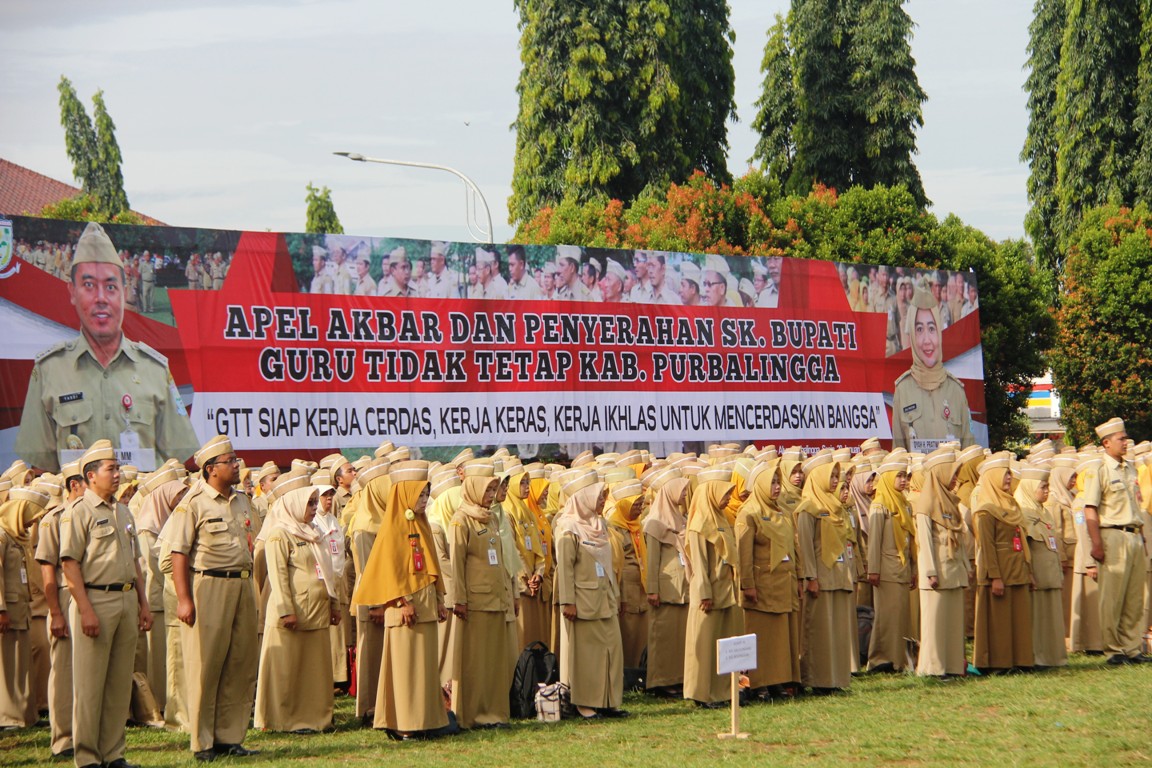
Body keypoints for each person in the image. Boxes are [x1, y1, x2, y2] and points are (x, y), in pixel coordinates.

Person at [16, 222, 200, 473]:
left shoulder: (154, 369)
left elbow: (177, 465)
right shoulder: (49, 370)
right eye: (89, 285)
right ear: (72, 292)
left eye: (111, 287)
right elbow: (41, 469)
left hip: (142, 510)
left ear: (124, 293)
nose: (101, 298)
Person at [164, 435, 258, 762]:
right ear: (210, 469)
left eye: (235, 460)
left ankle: (229, 736)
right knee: (206, 665)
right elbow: (178, 553)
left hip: (243, 585)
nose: (237, 466)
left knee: (240, 663)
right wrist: (184, 599)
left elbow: (252, 542)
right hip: (209, 586)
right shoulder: (193, 503)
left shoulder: (244, 500)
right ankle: (202, 741)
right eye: (230, 461)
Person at [59, 440, 152, 768]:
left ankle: (114, 754)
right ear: (90, 475)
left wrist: (142, 603)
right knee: (89, 685)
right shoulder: (78, 511)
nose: (117, 474)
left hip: (126, 598)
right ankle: (87, 757)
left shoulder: (123, 511)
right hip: (95, 600)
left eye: (117, 468)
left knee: (117, 683)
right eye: (110, 469)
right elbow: (70, 565)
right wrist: (85, 609)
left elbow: (136, 561)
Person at [354, 461, 449, 738]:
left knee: (425, 668)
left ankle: (426, 721)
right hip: (404, 608)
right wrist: (401, 602)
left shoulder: (423, 525)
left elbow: (433, 567)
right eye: (419, 495)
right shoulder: (391, 528)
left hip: (426, 606)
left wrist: (441, 599)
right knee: (406, 668)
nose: (424, 500)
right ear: (406, 495)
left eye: (426, 495)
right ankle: (405, 723)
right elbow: (388, 570)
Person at [254, 487, 341, 733]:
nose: (315, 508)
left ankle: (316, 718)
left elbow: (328, 572)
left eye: (315, 503)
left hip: (317, 611)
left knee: (314, 670)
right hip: (292, 614)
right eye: (310, 504)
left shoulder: (315, 533)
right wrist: (285, 610)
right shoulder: (279, 535)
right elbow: (278, 577)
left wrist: (333, 604)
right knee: (286, 669)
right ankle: (284, 720)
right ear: (294, 505)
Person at [555, 472, 626, 719]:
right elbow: (564, 568)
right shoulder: (568, 529)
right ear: (584, 497)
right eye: (599, 496)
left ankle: (609, 700)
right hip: (583, 603)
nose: (603, 501)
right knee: (587, 655)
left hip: (605, 598)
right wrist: (568, 601)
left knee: (612, 650)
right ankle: (585, 704)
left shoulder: (599, 525)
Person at [449, 472, 515, 729]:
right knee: (475, 661)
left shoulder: (491, 519)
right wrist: (460, 599)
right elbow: (457, 565)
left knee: (494, 662)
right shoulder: (461, 521)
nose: (491, 496)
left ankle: (495, 713)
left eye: (493, 491)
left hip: (495, 599)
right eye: (487, 491)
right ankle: (474, 715)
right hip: (475, 601)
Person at [1082, 418, 1149, 664]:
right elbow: (1090, 509)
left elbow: (1136, 506)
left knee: (1134, 596)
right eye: (1121, 439)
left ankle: (1132, 648)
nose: (1126, 442)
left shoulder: (1130, 468)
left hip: (1133, 535)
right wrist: (1096, 544)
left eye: (1126, 437)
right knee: (1112, 597)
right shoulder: (1099, 471)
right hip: (1112, 534)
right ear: (1106, 443)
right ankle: (1113, 649)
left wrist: (1141, 538)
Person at [736, 459, 801, 700]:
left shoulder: (781, 512)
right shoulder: (749, 513)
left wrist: (800, 577)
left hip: (783, 584)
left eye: (777, 482)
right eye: (771, 483)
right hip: (762, 587)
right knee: (761, 636)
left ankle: (777, 681)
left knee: (780, 639)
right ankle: (759, 683)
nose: (776, 487)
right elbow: (744, 554)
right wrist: (747, 584)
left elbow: (794, 547)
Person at [682, 467, 743, 707]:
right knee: (705, 645)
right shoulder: (699, 524)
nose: (728, 498)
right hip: (708, 594)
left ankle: (723, 691)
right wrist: (705, 593)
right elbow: (698, 563)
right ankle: (701, 693)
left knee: (723, 642)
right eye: (724, 493)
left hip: (726, 590)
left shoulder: (722, 519)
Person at [795, 451, 854, 694]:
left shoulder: (837, 506)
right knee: (819, 630)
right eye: (832, 476)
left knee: (837, 630)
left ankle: (836, 679)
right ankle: (818, 679)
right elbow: (805, 546)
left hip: (839, 576)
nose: (835, 480)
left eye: (837, 476)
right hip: (820, 577)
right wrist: (811, 577)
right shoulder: (808, 508)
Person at [35, 462, 83, 757]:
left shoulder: (98, 513)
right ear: (75, 485)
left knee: (90, 671)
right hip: (66, 598)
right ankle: (64, 738)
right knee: (65, 669)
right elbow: (48, 573)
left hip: (94, 597)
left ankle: (89, 734)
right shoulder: (54, 519)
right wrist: (55, 613)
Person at [890, 289, 975, 452]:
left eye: (931, 328)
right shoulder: (903, 390)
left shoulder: (956, 391)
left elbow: (969, 453)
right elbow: (899, 455)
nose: (927, 340)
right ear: (913, 337)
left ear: (939, 334)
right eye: (919, 330)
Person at [972, 452, 1033, 673]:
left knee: (1018, 619)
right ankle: (999, 663)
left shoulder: (1012, 505)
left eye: (1009, 473)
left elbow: (1022, 541)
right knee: (999, 621)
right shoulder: (986, 509)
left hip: (1017, 569)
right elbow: (987, 547)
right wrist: (995, 577)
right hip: (999, 573)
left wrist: (1029, 569)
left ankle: (1021, 660)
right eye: (1005, 474)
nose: (1009, 478)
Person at [913, 449, 969, 677]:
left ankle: (954, 665)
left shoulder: (950, 502)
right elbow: (924, 542)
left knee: (953, 623)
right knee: (934, 624)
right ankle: (933, 668)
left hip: (953, 570)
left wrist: (966, 566)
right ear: (940, 473)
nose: (955, 479)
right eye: (952, 474)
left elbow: (960, 539)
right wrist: (929, 571)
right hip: (936, 573)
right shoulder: (925, 504)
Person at [0, 482, 49, 730]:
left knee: (22, 664)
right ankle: (8, 717)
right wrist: (1, 610)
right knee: (8, 665)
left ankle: (27, 715)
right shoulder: (1, 536)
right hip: (7, 611)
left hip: (21, 610)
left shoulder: (16, 537)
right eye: (31, 516)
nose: (32, 523)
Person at [642, 468, 691, 697]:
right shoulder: (654, 523)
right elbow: (651, 560)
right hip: (665, 588)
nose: (684, 496)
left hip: (683, 587)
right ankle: (660, 680)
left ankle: (679, 677)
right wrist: (652, 589)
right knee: (663, 636)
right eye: (681, 491)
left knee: (679, 636)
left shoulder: (681, 519)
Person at [866, 450, 914, 673]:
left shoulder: (904, 503)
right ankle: (880, 659)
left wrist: (912, 569)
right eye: (899, 475)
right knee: (886, 616)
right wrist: (873, 569)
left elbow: (909, 542)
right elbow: (874, 541)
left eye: (905, 476)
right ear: (887, 477)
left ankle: (897, 659)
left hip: (902, 567)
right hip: (885, 569)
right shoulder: (880, 504)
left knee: (899, 616)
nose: (903, 480)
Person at [1015, 463, 1067, 669]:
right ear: (1029, 487)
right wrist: (1029, 573)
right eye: (1042, 487)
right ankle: (1038, 657)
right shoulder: (1023, 512)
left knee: (1052, 617)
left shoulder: (1043, 511)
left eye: (1048, 487)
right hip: (1036, 574)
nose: (1047, 491)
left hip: (1050, 573)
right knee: (1037, 618)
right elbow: (1024, 548)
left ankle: (1054, 656)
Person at [605, 479, 648, 670]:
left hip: (641, 583)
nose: (640, 509)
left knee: (641, 629)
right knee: (628, 629)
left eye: (641, 504)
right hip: (626, 586)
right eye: (636, 505)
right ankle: (628, 669)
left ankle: (641, 666)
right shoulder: (614, 527)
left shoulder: (637, 525)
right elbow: (616, 563)